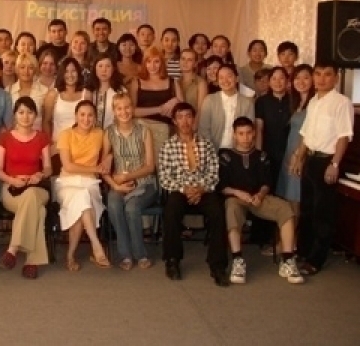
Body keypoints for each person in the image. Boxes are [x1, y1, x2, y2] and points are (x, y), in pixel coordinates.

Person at [219, 116, 304, 284]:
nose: (245, 137)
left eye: (248, 133)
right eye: (241, 133)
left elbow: (267, 183)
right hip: (236, 198)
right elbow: (222, 186)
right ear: (234, 135)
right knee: (231, 208)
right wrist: (238, 193)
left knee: (285, 209)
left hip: (258, 198)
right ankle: (238, 260)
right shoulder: (225, 156)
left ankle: (287, 259)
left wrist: (260, 194)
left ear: (254, 134)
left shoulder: (262, 156)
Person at [290, 61, 354, 276]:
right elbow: (306, 133)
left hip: (327, 161)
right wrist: (299, 158)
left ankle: (316, 260)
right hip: (310, 159)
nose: (321, 78)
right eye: (317, 74)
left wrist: (335, 164)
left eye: (327, 74)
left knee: (322, 213)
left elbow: (344, 136)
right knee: (307, 209)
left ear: (336, 78)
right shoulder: (314, 101)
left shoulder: (342, 103)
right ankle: (304, 251)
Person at [158, 102, 229, 286]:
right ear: (174, 121)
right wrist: (185, 189)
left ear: (194, 119)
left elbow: (214, 174)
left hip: (203, 189)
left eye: (188, 116)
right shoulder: (168, 146)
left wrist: (200, 189)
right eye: (180, 117)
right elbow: (164, 177)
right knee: (171, 210)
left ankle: (217, 265)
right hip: (180, 190)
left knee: (218, 212)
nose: (185, 121)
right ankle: (172, 260)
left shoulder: (206, 144)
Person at [0, 97, 52, 279]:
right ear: (15, 115)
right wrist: (12, 180)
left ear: (35, 115)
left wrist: (39, 175)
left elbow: (48, 168)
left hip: (37, 187)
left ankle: (12, 249)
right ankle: (31, 262)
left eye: (30, 112)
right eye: (21, 112)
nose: (25, 116)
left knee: (31, 195)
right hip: (12, 188)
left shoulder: (42, 137)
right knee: (39, 211)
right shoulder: (4, 138)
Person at [55, 100, 112, 270]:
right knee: (81, 199)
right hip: (67, 182)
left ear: (95, 118)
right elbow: (68, 166)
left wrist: (109, 157)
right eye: (82, 115)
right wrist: (96, 168)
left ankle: (70, 256)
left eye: (90, 115)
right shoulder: (66, 134)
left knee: (81, 204)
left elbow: (113, 148)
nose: (86, 119)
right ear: (75, 116)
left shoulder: (100, 134)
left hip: (90, 183)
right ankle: (96, 246)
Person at [102, 93, 156, 270]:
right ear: (114, 111)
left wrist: (127, 177)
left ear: (132, 108)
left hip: (144, 183)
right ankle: (125, 254)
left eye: (127, 107)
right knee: (113, 203)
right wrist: (115, 185)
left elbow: (150, 166)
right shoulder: (109, 133)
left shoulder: (144, 131)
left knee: (132, 208)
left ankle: (140, 254)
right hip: (119, 184)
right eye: (119, 108)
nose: (124, 112)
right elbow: (103, 168)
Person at [253, 66, 291, 248]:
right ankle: (264, 237)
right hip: (268, 152)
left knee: (285, 195)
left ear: (288, 81)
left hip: (289, 153)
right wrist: (259, 154)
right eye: (274, 78)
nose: (277, 82)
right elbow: (259, 128)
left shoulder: (293, 101)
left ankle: (284, 237)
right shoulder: (262, 102)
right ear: (268, 82)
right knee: (267, 191)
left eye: (281, 78)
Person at [275, 65, 314, 235]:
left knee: (295, 200)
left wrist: (298, 156)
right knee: (287, 199)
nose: (301, 81)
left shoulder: (314, 103)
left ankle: (292, 242)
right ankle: (286, 239)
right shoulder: (296, 102)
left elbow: (310, 133)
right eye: (297, 78)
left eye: (306, 77)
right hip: (288, 153)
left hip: (300, 155)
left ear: (313, 80)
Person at [129, 46, 183, 158]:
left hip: (164, 129)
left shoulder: (173, 82)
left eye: (156, 61)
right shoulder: (136, 82)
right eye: (148, 61)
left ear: (162, 63)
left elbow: (183, 108)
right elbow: (132, 111)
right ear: (144, 63)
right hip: (141, 127)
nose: (152, 66)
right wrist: (160, 109)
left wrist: (175, 100)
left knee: (160, 163)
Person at [42, 58, 90, 172]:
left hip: (81, 146)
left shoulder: (86, 94)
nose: (70, 75)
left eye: (73, 71)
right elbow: (46, 121)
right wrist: (50, 144)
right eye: (66, 71)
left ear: (78, 73)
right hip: (58, 147)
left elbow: (90, 121)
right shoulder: (53, 94)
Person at [198, 64, 254, 151]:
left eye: (229, 76)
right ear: (217, 81)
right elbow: (203, 130)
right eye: (221, 77)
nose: (225, 80)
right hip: (212, 151)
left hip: (238, 152)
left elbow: (249, 130)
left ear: (237, 78)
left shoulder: (247, 103)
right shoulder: (209, 100)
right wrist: (211, 152)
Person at [7, 53, 49, 131]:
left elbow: (47, 121)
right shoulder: (9, 90)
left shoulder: (44, 91)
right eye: (22, 67)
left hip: (37, 135)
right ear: (17, 69)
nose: (26, 71)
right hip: (15, 134)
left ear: (35, 70)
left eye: (30, 68)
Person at [88, 52, 125, 129]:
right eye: (100, 66)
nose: (104, 70)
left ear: (113, 69)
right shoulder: (88, 90)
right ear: (95, 69)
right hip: (91, 133)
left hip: (113, 132)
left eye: (108, 66)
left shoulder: (120, 91)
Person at [178, 49, 207, 129]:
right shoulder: (175, 82)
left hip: (193, 126)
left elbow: (201, 109)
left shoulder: (201, 82)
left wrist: (194, 127)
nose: (185, 62)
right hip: (177, 125)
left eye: (189, 60)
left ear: (195, 64)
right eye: (183, 59)